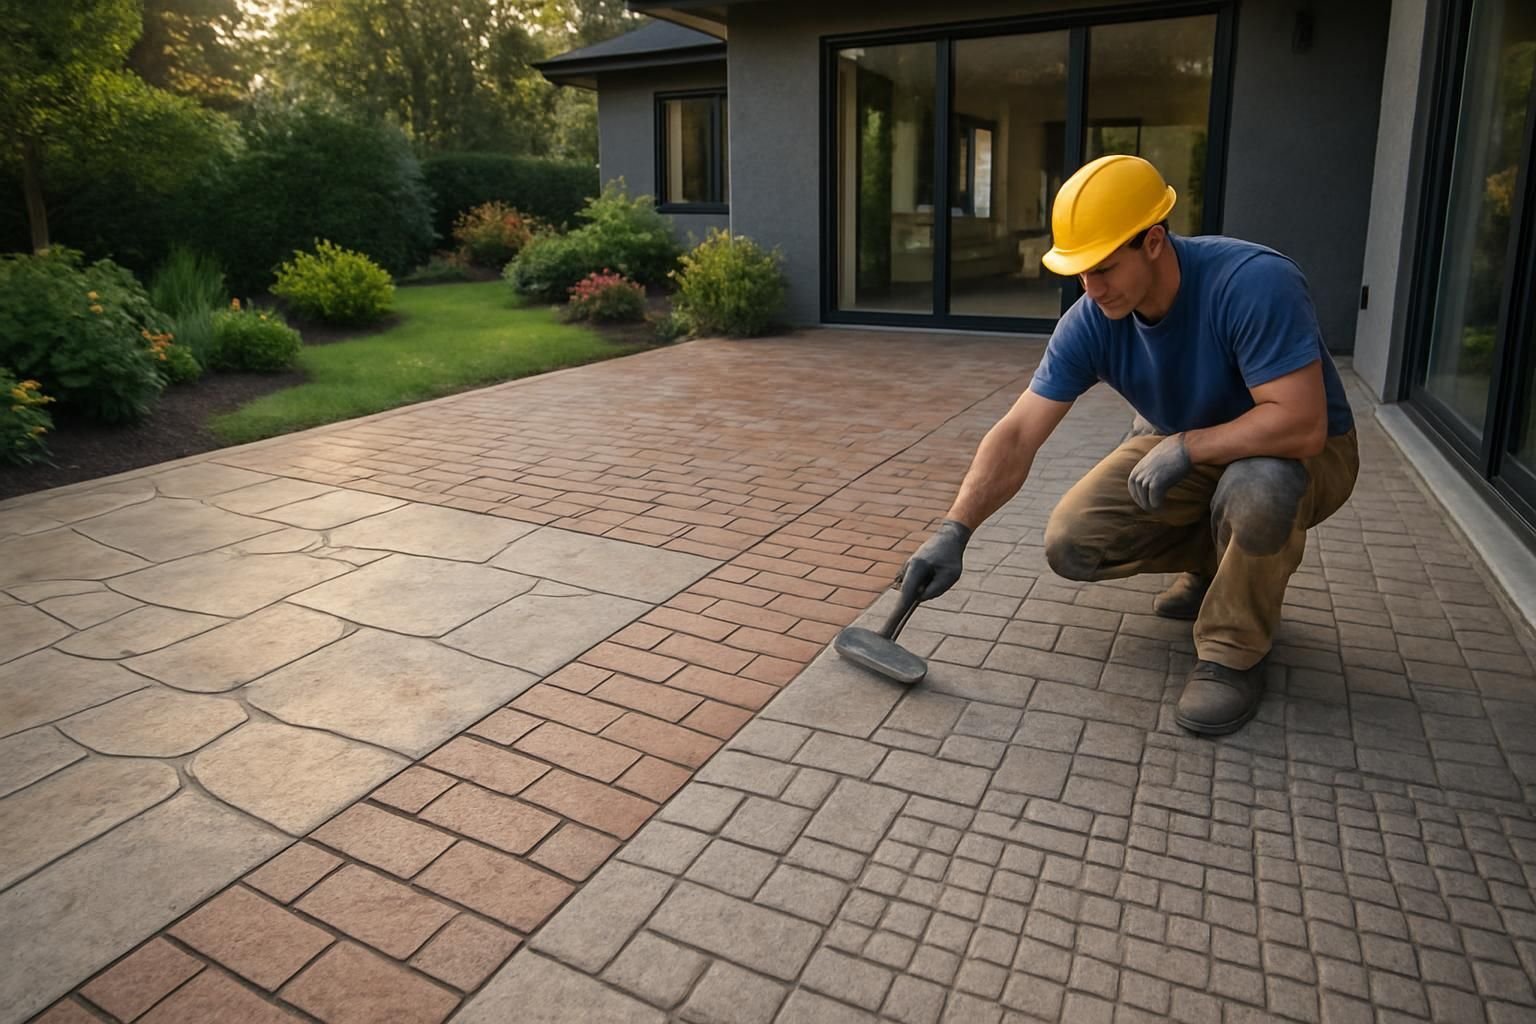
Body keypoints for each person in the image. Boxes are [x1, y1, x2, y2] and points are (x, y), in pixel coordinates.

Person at [896, 154, 1358, 736]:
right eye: (1079, 272)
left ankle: (1231, 652)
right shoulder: (1093, 318)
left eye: (1105, 267)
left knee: (1261, 484)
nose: (1090, 288)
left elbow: (1301, 424)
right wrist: (954, 530)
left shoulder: (1254, 284)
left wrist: (1187, 446)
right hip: (1188, 441)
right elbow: (1017, 433)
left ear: (1155, 241)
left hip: (1307, 452)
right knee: (1073, 542)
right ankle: (1213, 565)